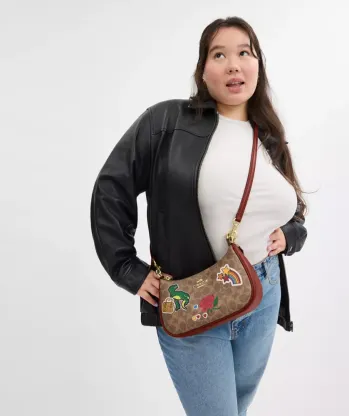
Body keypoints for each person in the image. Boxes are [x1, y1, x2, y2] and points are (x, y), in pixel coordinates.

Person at [90, 16, 308, 416]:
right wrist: (127, 269)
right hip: (192, 299)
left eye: (244, 53)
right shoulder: (166, 122)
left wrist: (290, 235)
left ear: (258, 64)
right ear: (202, 71)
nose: (233, 65)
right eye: (219, 55)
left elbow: (293, 208)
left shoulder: (269, 136)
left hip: (263, 291)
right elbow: (110, 188)